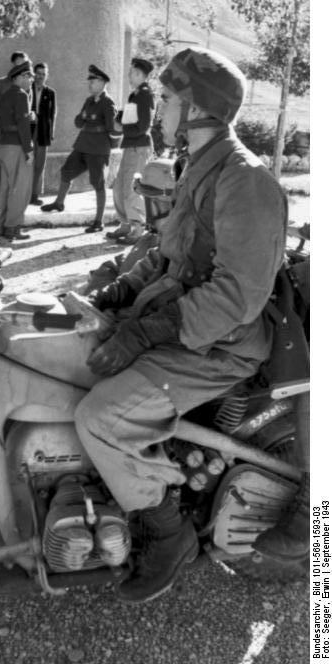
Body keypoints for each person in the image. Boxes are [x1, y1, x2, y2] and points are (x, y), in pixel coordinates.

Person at [73, 47, 288, 603]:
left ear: (195, 110)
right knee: (63, 356)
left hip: (221, 346)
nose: (157, 108)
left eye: (167, 99)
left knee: (101, 415)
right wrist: (120, 290)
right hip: (183, 326)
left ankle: (167, 537)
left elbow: (238, 295)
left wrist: (146, 330)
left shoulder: (246, 180)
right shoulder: (198, 166)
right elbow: (169, 254)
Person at [41, 64, 119, 232]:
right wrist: (84, 117)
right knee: (67, 171)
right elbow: (78, 122)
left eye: (93, 80)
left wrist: (88, 118)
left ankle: (98, 221)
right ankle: (59, 203)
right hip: (83, 144)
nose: (89, 83)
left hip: (98, 148)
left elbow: (112, 127)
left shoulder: (108, 102)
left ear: (102, 82)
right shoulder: (89, 101)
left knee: (98, 183)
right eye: (89, 80)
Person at [107, 57, 156, 244]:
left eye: (132, 72)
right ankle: (125, 224)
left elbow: (142, 126)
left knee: (132, 187)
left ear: (139, 74)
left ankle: (137, 227)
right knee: (119, 186)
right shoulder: (136, 94)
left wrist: (122, 128)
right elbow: (129, 119)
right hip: (130, 145)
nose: (129, 75)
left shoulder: (144, 94)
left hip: (139, 146)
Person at [0, 59, 36, 242]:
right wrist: (29, 149)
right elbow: (22, 125)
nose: (31, 80)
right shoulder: (20, 95)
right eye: (29, 76)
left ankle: (3, 226)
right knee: (20, 188)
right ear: (20, 77)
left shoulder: (4, 95)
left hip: (3, 145)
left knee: (5, 188)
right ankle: (13, 227)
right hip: (17, 146)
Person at [0, 51, 30, 213]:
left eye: (25, 63)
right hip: (2, 132)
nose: (23, 66)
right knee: (0, 167)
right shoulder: (1, 83)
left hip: (20, 135)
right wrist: (1, 126)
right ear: (13, 64)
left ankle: (11, 207)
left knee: (18, 172)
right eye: (19, 63)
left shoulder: (26, 84)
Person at [29, 63, 57, 205]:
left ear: (47, 76)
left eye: (43, 74)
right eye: (38, 73)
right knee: (27, 163)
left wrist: (51, 133)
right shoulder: (27, 89)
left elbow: (53, 114)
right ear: (34, 74)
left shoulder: (50, 92)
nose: (40, 76)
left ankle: (34, 195)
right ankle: (25, 193)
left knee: (39, 164)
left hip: (43, 132)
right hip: (29, 131)